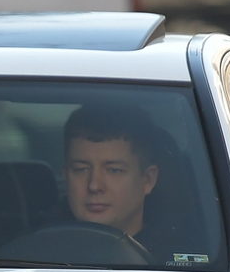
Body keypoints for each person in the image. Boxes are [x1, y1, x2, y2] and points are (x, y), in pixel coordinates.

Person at [62, 104, 161, 244]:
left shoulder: (179, 260)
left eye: (114, 170)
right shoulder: (34, 253)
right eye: (81, 169)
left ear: (148, 180)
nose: (94, 185)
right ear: (66, 177)